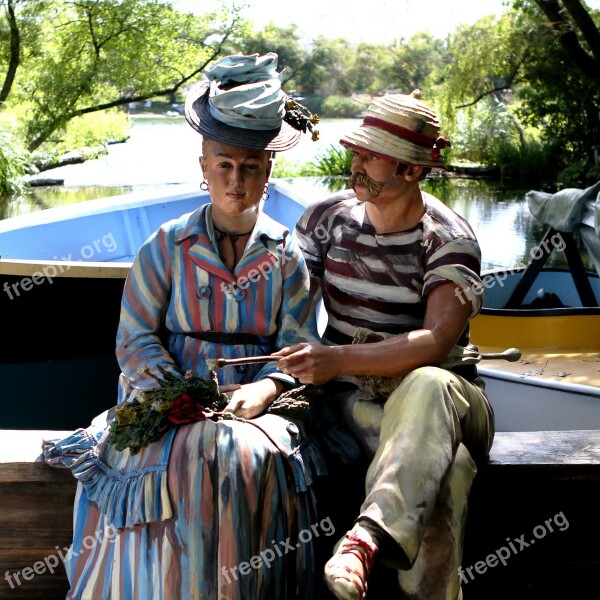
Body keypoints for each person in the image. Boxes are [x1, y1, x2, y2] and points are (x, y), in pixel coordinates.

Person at [42, 52, 325, 600]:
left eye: (250, 166)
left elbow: (298, 347)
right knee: (176, 453)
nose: (236, 180)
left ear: (269, 172)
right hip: (162, 395)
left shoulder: (288, 256)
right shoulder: (167, 246)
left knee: (247, 456)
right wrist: (176, 393)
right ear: (203, 165)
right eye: (224, 164)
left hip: (255, 399)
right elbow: (135, 339)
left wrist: (266, 387)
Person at [275, 90, 495, 600]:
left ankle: (364, 539)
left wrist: (339, 358)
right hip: (357, 403)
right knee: (452, 470)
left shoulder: (447, 238)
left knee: (428, 381)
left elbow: (438, 340)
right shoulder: (325, 221)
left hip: (452, 401)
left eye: (370, 156)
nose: (355, 166)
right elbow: (291, 313)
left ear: (412, 171)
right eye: (356, 152)